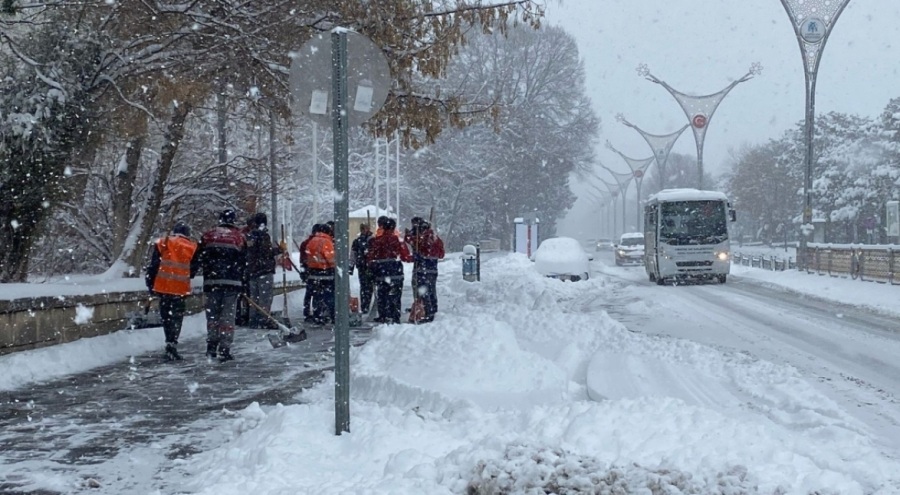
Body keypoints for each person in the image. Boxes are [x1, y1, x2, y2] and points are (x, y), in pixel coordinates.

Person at [192, 208, 246, 362]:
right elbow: (244, 262)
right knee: (227, 316)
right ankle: (225, 347)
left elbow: (198, 257)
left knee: (213, 316)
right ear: (233, 220)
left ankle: (211, 346)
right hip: (232, 283)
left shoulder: (208, 236)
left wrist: (192, 273)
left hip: (211, 282)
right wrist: (243, 284)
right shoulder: (239, 238)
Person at [144, 222, 199, 361]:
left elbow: (154, 265)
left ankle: (168, 341)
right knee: (177, 316)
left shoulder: (163, 242)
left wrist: (150, 284)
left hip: (163, 286)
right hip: (180, 288)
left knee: (166, 316)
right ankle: (173, 343)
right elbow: (193, 270)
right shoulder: (192, 247)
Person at [366, 217, 413, 324]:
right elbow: (405, 256)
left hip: (381, 272)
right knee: (395, 295)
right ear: (393, 228)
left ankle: (383, 315)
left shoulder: (377, 241)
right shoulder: (398, 240)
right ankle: (395, 316)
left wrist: (372, 267)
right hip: (395, 271)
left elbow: (370, 257)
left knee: (382, 294)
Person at [245, 212, 282, 329]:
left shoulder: (249, 235)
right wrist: (279, 250)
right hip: (264, 270)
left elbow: (250, 252)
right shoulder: (263, 235)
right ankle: (264, 319)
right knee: (265, 297)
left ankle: (253, 319)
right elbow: (266, 252)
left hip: (252, 271)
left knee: (254, 297)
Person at [406, 216, 445, 322]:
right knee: (431, 289)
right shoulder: (435, 237)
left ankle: (426, 311)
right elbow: (441, 254)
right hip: (433, 269)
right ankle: (432, 309)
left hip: (422, 268)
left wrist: (421, 256)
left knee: (423, 290)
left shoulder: (423, 237)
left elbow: (414, 243)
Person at [304, 223, 336, 324]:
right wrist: (335, 267)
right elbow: (331, 259)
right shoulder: (326, 242)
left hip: (313, 273)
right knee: (329, 296)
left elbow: (307, 257)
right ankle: (332, 315)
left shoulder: (311, 241)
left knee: (317, 296)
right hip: (326, 274)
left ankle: (317, 316)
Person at [349, 223, 375, 314]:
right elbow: (353, 255)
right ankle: (365, 306)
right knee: (364, 286)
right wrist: (351, 267)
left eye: (367, 228)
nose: (365, 230)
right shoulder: (357, 241)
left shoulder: (373, 240)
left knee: (369, 287)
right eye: (363, 229)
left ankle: (366, 304)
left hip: (371, 266)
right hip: (363, 267)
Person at [235, 215, 256, 326]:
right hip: (245, 268)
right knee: (245, 293)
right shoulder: (245, 235)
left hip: (242, 268)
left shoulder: (241, 233)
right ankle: (243, 316)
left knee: (242, 294)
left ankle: (240, 316)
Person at [298, 225, 316, 322]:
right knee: (316, 293)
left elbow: (302, 259)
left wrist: (303, 270)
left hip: (307, 270)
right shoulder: (315, 243)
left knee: (309, 293)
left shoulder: (305, 243)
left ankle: (306, 312)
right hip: (315, 270)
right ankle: (316, 312)